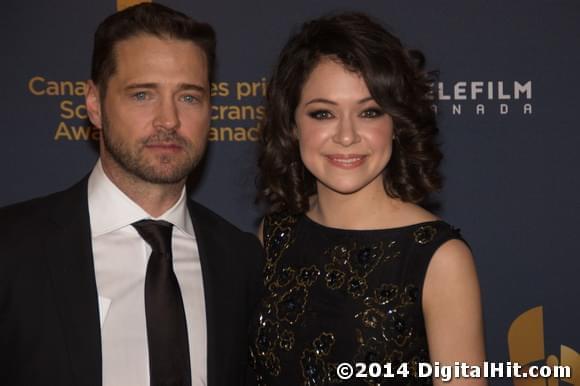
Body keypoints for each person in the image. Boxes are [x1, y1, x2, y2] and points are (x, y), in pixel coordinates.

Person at [0, 3, 263, 386]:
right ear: (94, 104)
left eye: (189, 97)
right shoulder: (11, 249)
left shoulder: (241, 263)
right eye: (142, 95)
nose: (169, 120)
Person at [248, 12, 486, 385]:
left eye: (370, 112)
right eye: (323, 113)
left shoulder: (438, 259)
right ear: (293, 125)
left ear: (396, 125)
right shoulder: (273, 238)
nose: (346, 136)